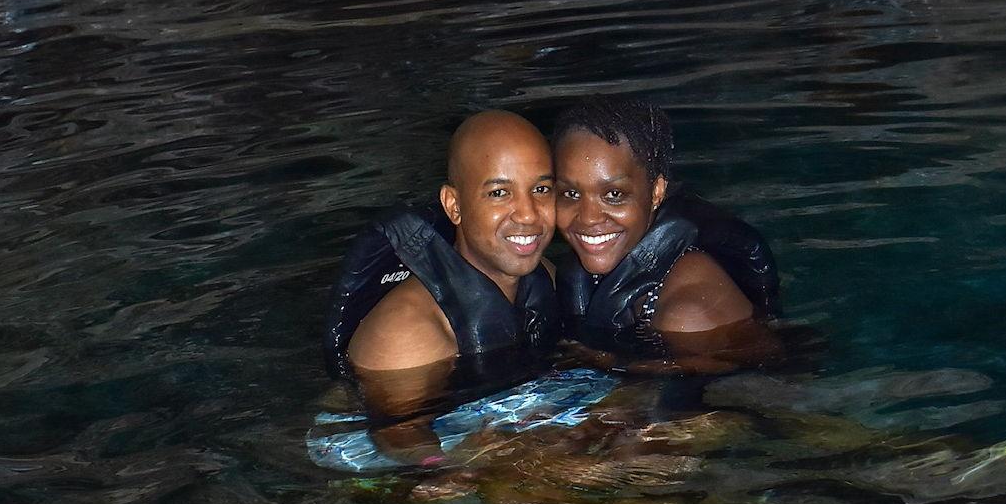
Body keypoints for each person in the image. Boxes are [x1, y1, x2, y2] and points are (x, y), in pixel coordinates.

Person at [324, 111, 560, 390]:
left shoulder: (547, 276)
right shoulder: (405, 334)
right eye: (499, 193)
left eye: (541, 189)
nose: (528, 215)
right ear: (453, 206)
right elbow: (396, 432)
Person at [548, 96, 780, 358]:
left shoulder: (688, 314)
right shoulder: (592, 269)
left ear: (657, 192)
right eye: (570, 194)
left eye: (614, 194)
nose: (588, 218)